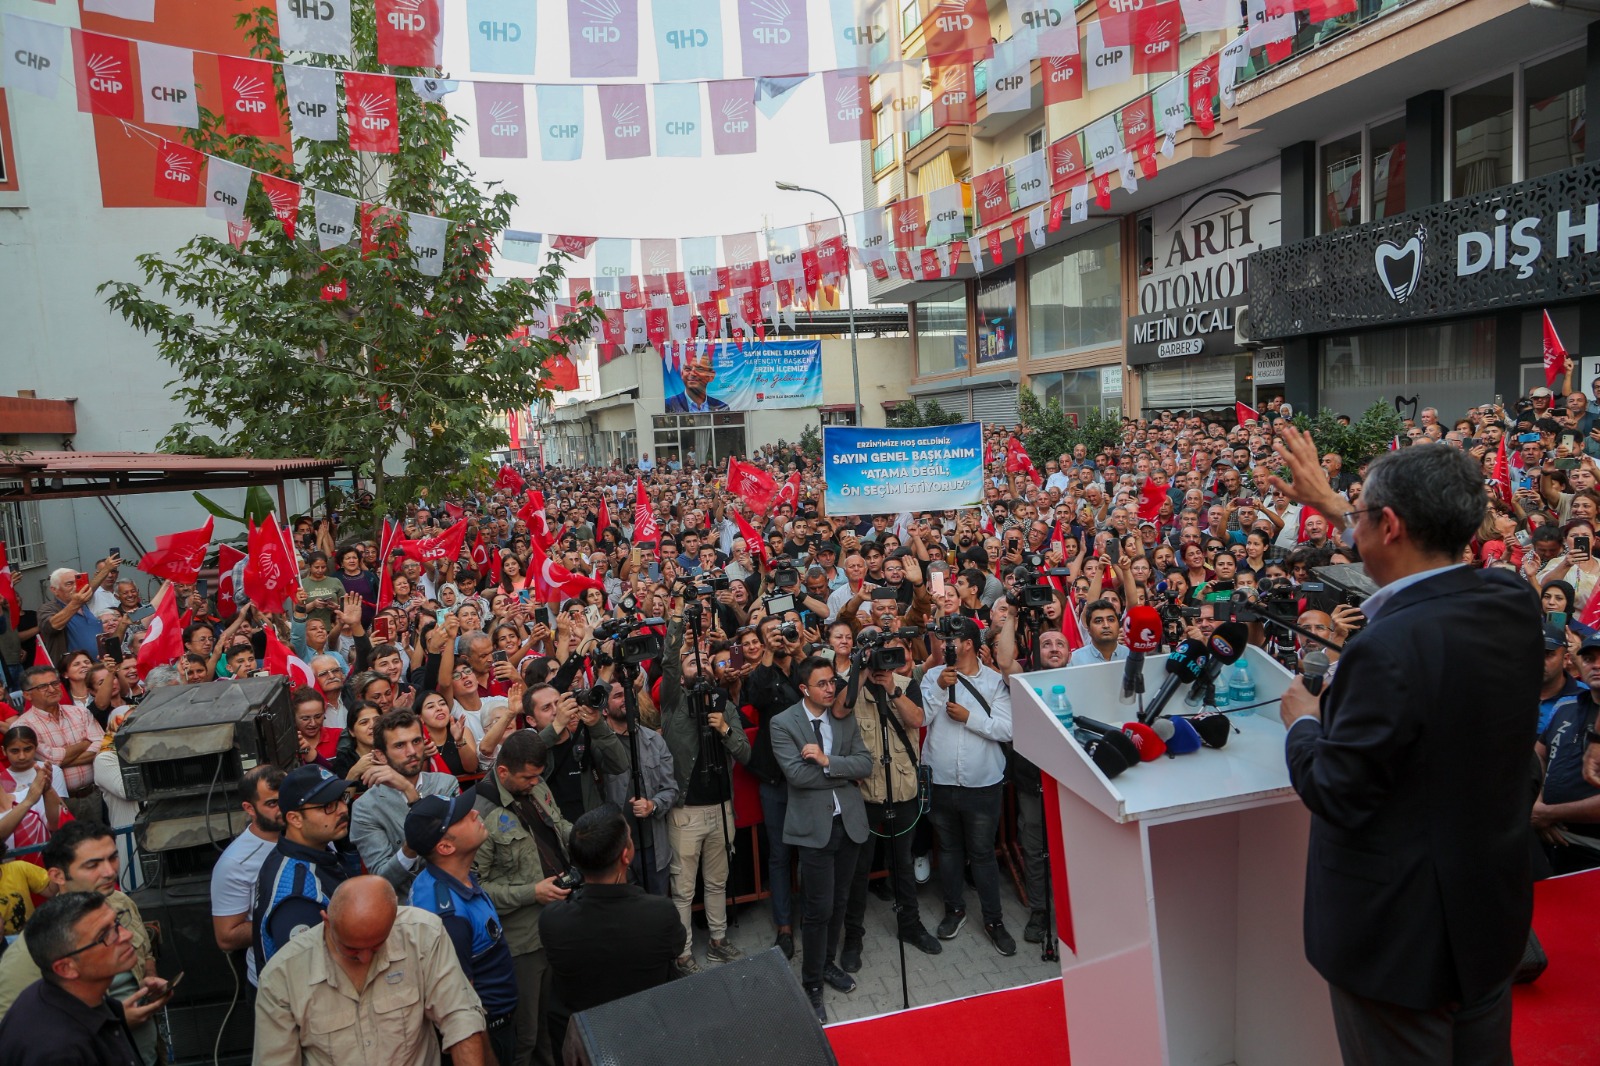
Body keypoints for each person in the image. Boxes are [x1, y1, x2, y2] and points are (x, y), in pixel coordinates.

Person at [1274, 432, 1540, 1065]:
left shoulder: (1385, 648)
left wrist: (1303, 723)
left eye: (1363, 512)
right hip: (1486, 919)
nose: (1355, 522)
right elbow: (1422, 575)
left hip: (1398, 944)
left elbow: (1336, 790)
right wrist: (1341, 509)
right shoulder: (1512, 600)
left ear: (1389, 524)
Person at [253, 875, 489, 1066]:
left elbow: (460, 1019)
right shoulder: (281, 976)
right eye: (351, 948)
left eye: (377, 945)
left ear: (394, 919)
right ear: (327, 922)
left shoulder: (423, 934)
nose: (365, 958)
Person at [0, 822, 164, 1064]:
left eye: (112, 858)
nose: (109, 872)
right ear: (57, 875)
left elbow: (145, 953)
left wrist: (148, 979)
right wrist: (112, 1022)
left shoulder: (119, 903)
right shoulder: (32, 950)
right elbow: (16, 1032)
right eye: (93, 865)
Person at [772, 655, 874, 1022]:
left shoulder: (842, 719)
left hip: (849, 826)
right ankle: (812, 983)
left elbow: (866, 763)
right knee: (818, 910)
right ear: (804, 689)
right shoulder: (783, 723)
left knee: (841, 901)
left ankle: (828, 963)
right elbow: (797, 776)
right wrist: (844, 774)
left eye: (834, 681)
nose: (832, 689)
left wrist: (829, 761)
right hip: (813, 831)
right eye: (823, 684)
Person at [538, 804, 684, 1055]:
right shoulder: (659, 913)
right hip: (648, 1035)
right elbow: (676, 947)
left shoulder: (553, 920)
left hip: (588, 1043)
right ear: (625, 856)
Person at [470, 729, 573, 1066]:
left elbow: (558, 827)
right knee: (527, 1033)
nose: (535, 783)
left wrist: (590, 836)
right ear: (503, 773)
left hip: (559, 920)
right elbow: (475, 888)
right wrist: (533, 892)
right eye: (527, 777)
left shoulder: (536, 783)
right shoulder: (479, 813)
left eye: (538, 776)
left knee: (555, 1021)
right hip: (523, 942)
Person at [658, 609, 751, 974]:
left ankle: (717, 941)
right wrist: (678, 625)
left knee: (717, 881)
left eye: (703, 661)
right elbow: (667, 663)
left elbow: (744, 752)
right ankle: (682, 954)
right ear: (683, 674)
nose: (698, 666)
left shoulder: (725, 705)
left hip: (721, 808)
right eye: (691, 662)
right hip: (686, 812)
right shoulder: (673, 703)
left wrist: (725, 729)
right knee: (682, 889)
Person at [919, 615, 1016, 956]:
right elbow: (921, 718)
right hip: (941, 780)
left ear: (969, 644)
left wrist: (970, 719)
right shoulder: (933, 676)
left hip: (983, 784)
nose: (945, 646)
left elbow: (1008, 729)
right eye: (943, 640)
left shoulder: (993, 682)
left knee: (983, 854)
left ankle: (994, 920)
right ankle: (954, 910)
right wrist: (938, 689)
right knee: (947, 850)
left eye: (951, 641)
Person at [840, 658, 942, 969]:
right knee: (859, 870)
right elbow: (840, 712)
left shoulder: (905, 682)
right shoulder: (849, 685)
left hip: (901, 790)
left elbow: (918, 719)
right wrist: (861, 674)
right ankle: (853, 937)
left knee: (903, 864)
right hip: (865, 795)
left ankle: (910, 926)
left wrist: (891, 689)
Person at [405, 796, 519, 1066]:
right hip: (489, 1033)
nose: (475, 812)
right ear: (445, 846)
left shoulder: (442, 878)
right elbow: (462, 1008)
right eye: (462, 816)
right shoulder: (450, 917)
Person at [251, 765, 356, 973]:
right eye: (328, 806)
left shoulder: (310, 849)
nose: (343, 809)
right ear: (295, 819)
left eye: (341, 798)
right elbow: (309, 978)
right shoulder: (297, 897)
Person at [348, 709, 459, 894]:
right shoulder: (366, 807)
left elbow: (459, 846)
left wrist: (410, 792)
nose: (412, 752)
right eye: (400, 745)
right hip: (410, 907)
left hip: (455, 892)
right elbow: (382, 878)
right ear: (381, 755)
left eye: (416, 741)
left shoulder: (445, 784)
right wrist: (410, 849)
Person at [598, 679, 677, 897]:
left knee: (656, 908)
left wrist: (653, 805)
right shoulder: (597, 746)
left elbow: (671, 789)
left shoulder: (655, 741)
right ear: (604, 710)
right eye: (618, 696)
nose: (626, 699)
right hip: (616, 848)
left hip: (653, 846)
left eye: (628, 694)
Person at [210, 765, 286, 991]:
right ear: (249, 808)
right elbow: (226, 936)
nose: (283, 808)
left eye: (287, 798)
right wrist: (287, 922)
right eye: (272, 803)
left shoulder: (311, 832)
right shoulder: (235, 863)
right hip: (273, 984)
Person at [12, 666, 103, 823]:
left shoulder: (80, 712)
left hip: (94, 794)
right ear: (27, 695)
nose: (52, 689)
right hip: (58, 802)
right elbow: (51, 762)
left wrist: (62, 760)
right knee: (67, 846)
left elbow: (102, 746)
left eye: (55, 683)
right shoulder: (23, 726)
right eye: (42, 686)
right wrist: (84, 744)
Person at [664, 351, 729, 413]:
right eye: (688, 369)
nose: (692, 373)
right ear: (682, 374)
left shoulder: (722, 407)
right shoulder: (668, 405)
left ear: (711, 376)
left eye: (699, 369)